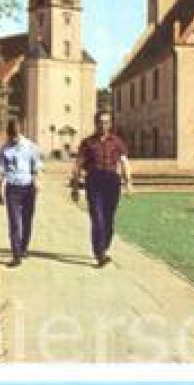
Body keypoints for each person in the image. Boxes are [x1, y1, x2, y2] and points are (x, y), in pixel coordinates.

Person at [71, 109, 132, 268]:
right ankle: (100, 254)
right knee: (97, 218)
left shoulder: (117, 142)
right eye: (100, 122)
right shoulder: (87, 143)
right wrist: (75, 186)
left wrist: (129, 182)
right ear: (95, 123)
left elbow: (124, 162)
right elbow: (78, 164)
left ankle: (103, 247)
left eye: (106, 122)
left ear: (110, 124)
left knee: (109, 220)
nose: (103, 125)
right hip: (94, 181)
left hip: (112, 182)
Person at [0, 118, 43, 267]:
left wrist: (36, 181)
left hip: (28, 188)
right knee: (15, 223)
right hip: (12, 189)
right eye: (11, 136)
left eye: (16, 135)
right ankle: (16, 255)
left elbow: (36, 166)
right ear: (8, 134)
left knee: (27, 221)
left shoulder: (30, 146)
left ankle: (23, 247)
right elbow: (1, 171)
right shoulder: (4, 149)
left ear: (20, 132)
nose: (14, 138)